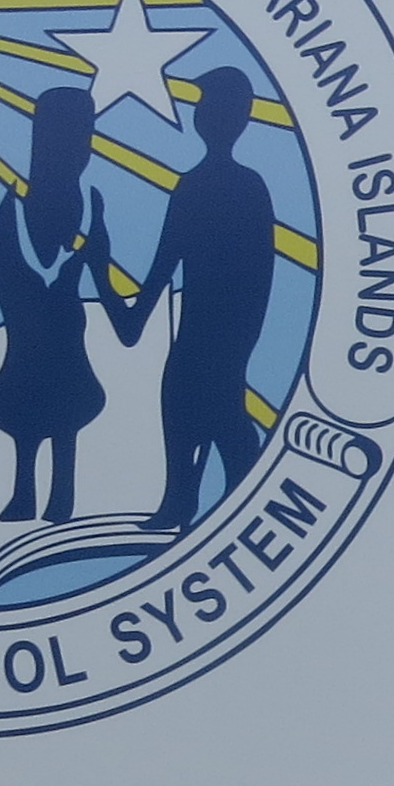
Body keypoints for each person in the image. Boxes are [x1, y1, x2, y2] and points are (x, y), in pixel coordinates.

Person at [101, 74, 278, 531]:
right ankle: (182, 502)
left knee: (230, 440)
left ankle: (200, 505)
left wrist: (234, 354)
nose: (206, 116)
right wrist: (102, 274)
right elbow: (153, 288)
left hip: (218, 351)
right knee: (205, 430)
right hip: (206, 349)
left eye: (215, 106)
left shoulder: (237, 188)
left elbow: (258, 283)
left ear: (239, 118)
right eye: (203, 105)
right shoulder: (195, 187)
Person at [0, 87, 110, 523]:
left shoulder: (89, 206)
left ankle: (62, 497)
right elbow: (10, 276)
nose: (82, 149)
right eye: (75, 136)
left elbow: (102, 281)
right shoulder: (13, 209)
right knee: (29, 408)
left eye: (87, 137)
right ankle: (24, 493)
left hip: (70, 345)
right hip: (27, 343)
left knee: (65, 413)